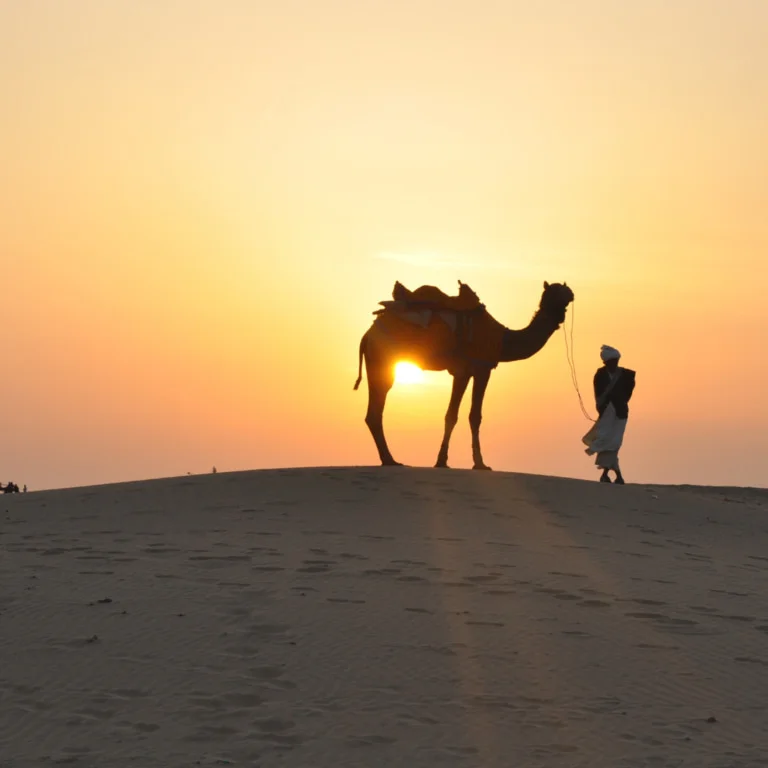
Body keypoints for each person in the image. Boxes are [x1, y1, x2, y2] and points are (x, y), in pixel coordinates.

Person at [582, 345, 636, 484]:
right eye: (611, 361)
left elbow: (628, 393)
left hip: (619, 413)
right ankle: (615, 475)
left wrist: (618, 400)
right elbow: (598, 394)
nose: (614, 363)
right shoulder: (600, 375)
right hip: (607, 412)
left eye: (615, 360)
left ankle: (609, 475)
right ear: (606, 362)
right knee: (608, 441)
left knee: (614, 442)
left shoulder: (626, 375)